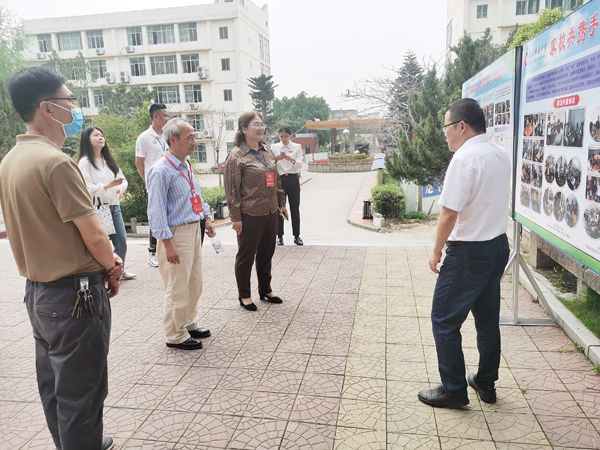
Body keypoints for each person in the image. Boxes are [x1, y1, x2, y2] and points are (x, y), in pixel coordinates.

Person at [0, 66, 122, 449]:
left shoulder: (10, 160)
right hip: (74, 297)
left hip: (38, 294)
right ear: (48, 108)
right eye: (70, 100)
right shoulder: (56, 163)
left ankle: (78, 442)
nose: (76, 108)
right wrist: (113, 266)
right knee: (83, 393)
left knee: (55, 388)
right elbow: (95, 236)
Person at [418, 98, 511, 409]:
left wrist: (435, 251)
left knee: (444, 320)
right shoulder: (500, 152)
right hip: (498, 247)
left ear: (461, 126)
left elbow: (449, 213)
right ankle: (486, 382)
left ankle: (454, 390)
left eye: (446, 126)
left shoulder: (464, 158)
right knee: (487, 321)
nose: (444, 133)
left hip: (468, 253)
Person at [147, 118, 215, 350]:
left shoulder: (185, 165)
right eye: (190, 138)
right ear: (173, 140)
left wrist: (206, 217)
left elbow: (195, 195)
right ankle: (175, 334)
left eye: (194, 137)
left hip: (193, 229)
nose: (194, 141)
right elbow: (156, 212)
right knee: (178, 286)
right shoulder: (161, 170)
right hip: (176, 234)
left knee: (194, 282)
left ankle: (189, 323)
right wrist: (168, 244)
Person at [224, 111, 288, 311]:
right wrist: (236, 218)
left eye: (262, 124)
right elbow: (231, 190)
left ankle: (265, 289)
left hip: (270, 211)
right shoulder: (236, 156)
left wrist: (282, 203)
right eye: (256, 124)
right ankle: (244, 295)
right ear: (244, 129)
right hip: (249, 214)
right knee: (246, 256)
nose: (261, 128)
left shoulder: (267, 150)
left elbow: (276, 179)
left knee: (267, 253)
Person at [78, 126, 136, 280]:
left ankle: (118, 271)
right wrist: (106, 186)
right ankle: (101, 274)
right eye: (96, 135)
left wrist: (121, 188)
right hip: (97, 208)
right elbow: (86, 188)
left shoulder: (108, 160)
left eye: (102, 135)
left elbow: (122, 180)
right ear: (87, 139)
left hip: (114, 207)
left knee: (121, 241)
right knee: (99, 243)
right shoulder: (85, 163)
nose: (100, 137)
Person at [135, 103, 169, 267]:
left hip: (169, 183)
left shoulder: (168, 136)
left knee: (169, 215)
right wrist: (147, 181)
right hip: (154, 184)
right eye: (164, 115)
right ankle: (153, 251)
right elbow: (139, 162)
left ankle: (166, 249)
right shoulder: (144, 137)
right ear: (155, 116)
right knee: (156, 216)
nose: (167, 118)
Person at [271, 124, 304, 246]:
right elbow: (269, 163)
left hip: (293, 178)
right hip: (280, 179)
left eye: (286, 136)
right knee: (280, 207)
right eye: (281, 136)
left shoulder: (296, 147)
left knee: (295, 208)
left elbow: (300, 165)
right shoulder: (274, 147)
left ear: (290, 136)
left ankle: (297, 235)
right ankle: (279, 236)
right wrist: (276, 159)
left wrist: (292, 160)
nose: (283, 139)